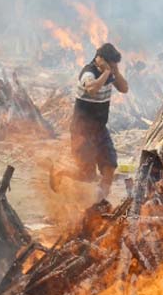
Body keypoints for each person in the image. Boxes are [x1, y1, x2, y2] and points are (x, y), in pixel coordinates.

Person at [50, 43, 129, 200]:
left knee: (110, 166)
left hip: (100, 129)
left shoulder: (110, 73)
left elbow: (124, 88)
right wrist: (107, 72)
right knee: (88, 175)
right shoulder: (88, 73)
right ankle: (59, 171)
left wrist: (115, 72)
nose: (113, 69)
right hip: (82, 131)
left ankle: (101, 202)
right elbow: (92, 90)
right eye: (111, 65)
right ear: (100, 60)